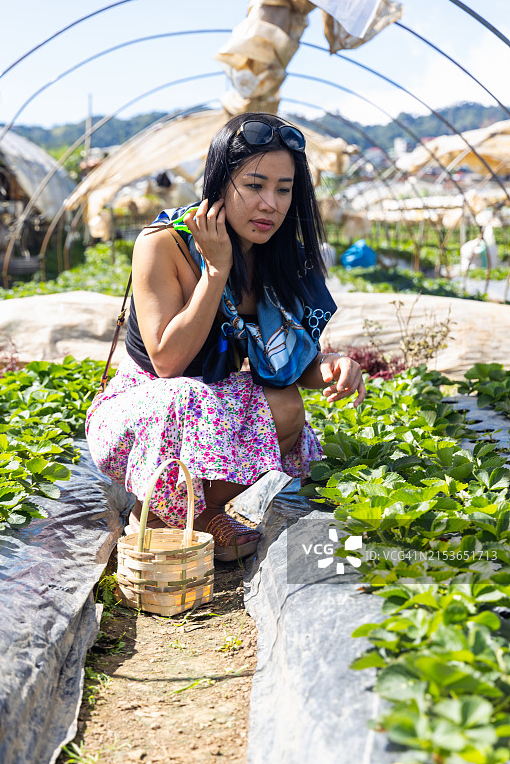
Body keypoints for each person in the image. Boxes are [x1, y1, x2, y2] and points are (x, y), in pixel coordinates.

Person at [86, 112, 365, 561]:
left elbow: (285, 360)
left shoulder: (279, 256)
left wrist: (329, 365)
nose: (270, 204)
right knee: (181, 398)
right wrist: (215, 271)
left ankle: (202, 510)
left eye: (283, 189)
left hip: (208, 401)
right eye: (254, 186)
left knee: (288, 405)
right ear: (220, 184)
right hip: (145, 409)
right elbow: (167, 363)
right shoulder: (163, 244)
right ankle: (156, 513)